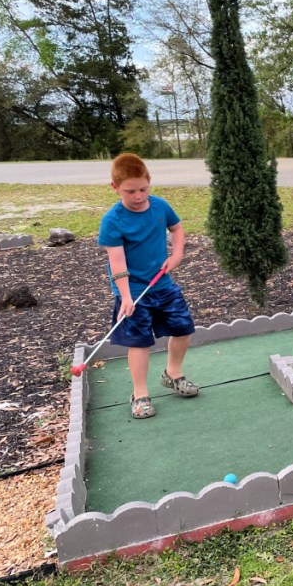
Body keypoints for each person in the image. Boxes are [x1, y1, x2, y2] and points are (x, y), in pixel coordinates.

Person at [98, 153, 199, 419]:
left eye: (143, 188)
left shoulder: (160, 206)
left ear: (149, 182)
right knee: (140, 342)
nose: (139, 196)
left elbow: (176, 228)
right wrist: (126, 297)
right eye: (130, 191)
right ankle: (140, 394)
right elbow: (117, 263)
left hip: (163, 285)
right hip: (132, 291)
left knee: (183, 329)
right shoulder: (112, 220)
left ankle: (172, 373)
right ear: (115, 187)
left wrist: (177, 255)